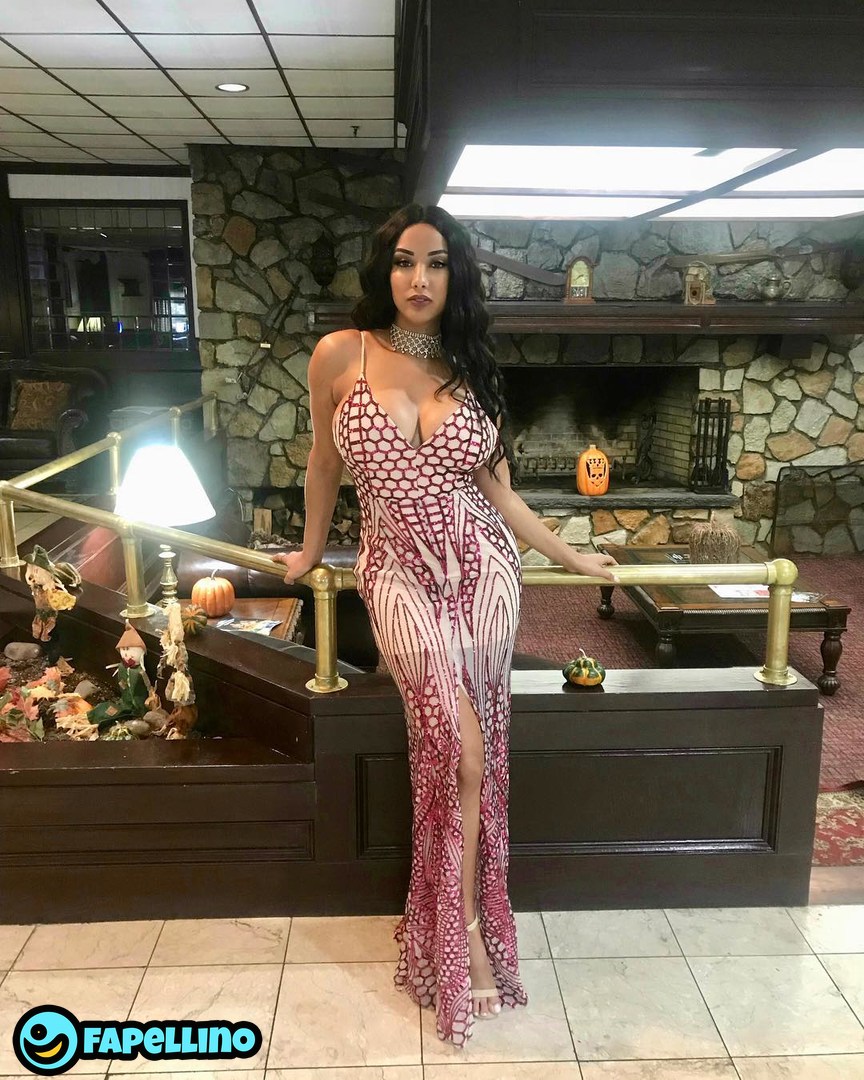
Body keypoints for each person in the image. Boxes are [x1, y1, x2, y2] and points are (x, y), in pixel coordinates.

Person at [273, 203, 618, 1045]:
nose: (418, 278)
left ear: (455, 275)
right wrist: (311, 550)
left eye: (435, 263)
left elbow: (500, 494)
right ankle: (460, 934)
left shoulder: (470, 364)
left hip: (484, 571)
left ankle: (464, 926)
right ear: (384, 271)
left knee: (475, 756)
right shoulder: (340, 354)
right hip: (395, 573)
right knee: (457, 747)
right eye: (404, 261)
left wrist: (571, 555)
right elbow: (323, 462)